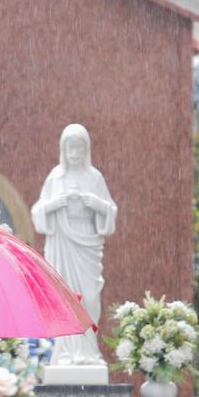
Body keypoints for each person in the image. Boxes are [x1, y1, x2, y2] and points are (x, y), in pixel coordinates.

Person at [31, 123, 117, 367]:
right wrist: (56, 203)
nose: (75, 152)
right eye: (70, 147)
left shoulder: (94, 177)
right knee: (66, 296)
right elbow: (39, 211)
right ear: (63, 149)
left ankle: (88, 351)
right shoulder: (56, 177)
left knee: (89, 297)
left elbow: (110, 211)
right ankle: (66, 352)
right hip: (62, 242)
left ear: (86, 148)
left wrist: (94, 203)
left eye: (79, 147)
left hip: (86, 241)